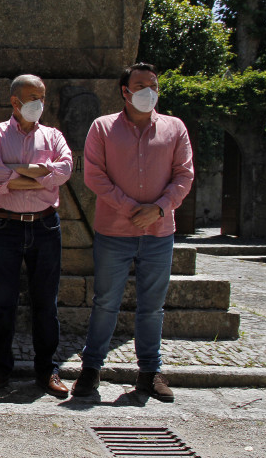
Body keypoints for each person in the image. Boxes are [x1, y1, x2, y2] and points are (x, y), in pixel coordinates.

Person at [71, 63, 194, 402]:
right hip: (113, 231)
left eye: (153, 84)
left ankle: (149, 373)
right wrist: (130, 209)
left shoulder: (175, 128)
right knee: (106, 302)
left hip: (159, 232)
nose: (147, 90)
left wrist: (157, 208)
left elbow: (184, 175)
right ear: (124, 91)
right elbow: (94, 175)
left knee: (152, 307)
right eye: (139, 84)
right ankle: (91, 370)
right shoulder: (103, 127)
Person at [0, 75, 73, 397]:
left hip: (45, 227)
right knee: (3, 302)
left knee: (46, 303)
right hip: (5, 226)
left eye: (42, 97)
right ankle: (1, 368)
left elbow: (66, 169)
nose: (39, 103)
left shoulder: (54, 135)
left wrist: (17, 173)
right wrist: (42, 175)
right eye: (32, 97)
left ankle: (47, 369)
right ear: (14, 101)